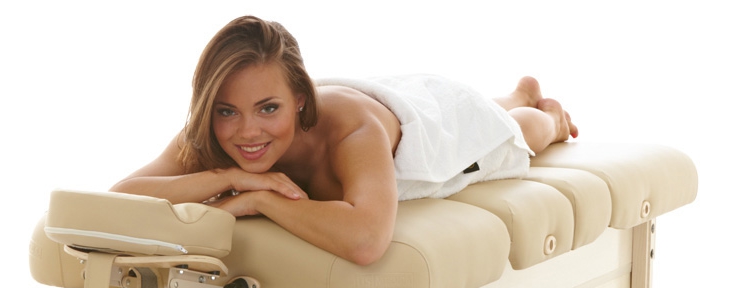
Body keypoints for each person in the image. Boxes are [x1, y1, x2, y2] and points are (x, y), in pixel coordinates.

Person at [111, 16, 578, 265]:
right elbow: (121, 198)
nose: (247, 132)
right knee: (496, 110)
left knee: (514, 131)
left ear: (299, 99)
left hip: (440, 123)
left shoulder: (351, 132)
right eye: (227, 111)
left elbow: (366, 240)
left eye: (268, 109)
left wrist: (259, 199)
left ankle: (542, 111)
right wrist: (228, 177)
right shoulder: (215, 131)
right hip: (392, 96)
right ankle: (517, 95)